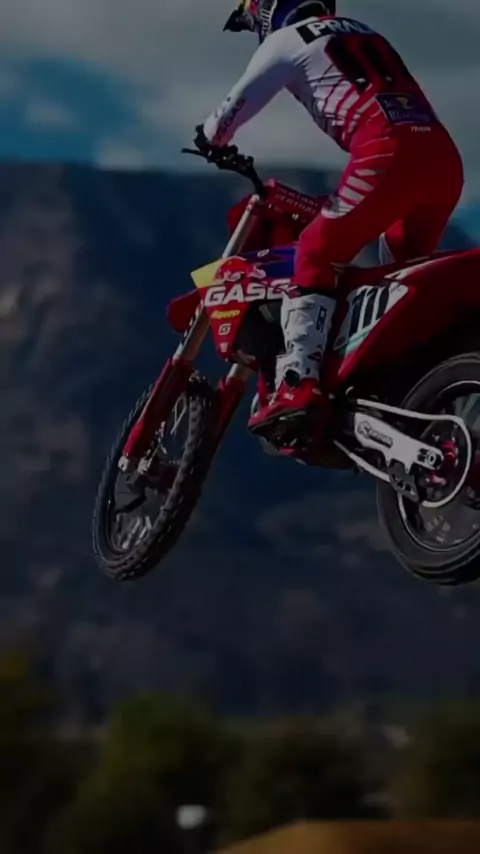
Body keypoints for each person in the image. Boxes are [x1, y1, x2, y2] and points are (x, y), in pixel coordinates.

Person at [194, 0, 464, 437]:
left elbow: (232, 110)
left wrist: (210, 139)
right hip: (443, 159)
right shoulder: (364, 31)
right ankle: (408, 389)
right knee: (397, 279)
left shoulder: (287, 40)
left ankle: (298, 382)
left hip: (386, 154)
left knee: (315, 252)